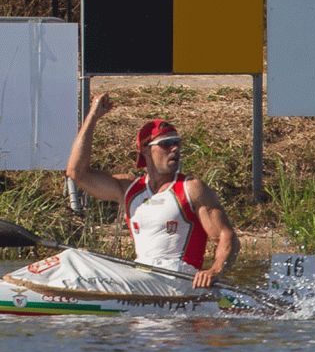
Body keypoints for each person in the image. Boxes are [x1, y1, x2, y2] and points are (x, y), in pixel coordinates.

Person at [66, 92, 240, 289]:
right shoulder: (129, 189)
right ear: (146, 150)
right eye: (166, 144)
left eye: (177, 143)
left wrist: (215, 271)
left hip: (180, 280)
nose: (174, 148)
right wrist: (92, 117)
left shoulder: (192, 188)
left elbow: (227, 236)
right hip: (142, 275)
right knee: (77, 258)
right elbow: (76, 172)